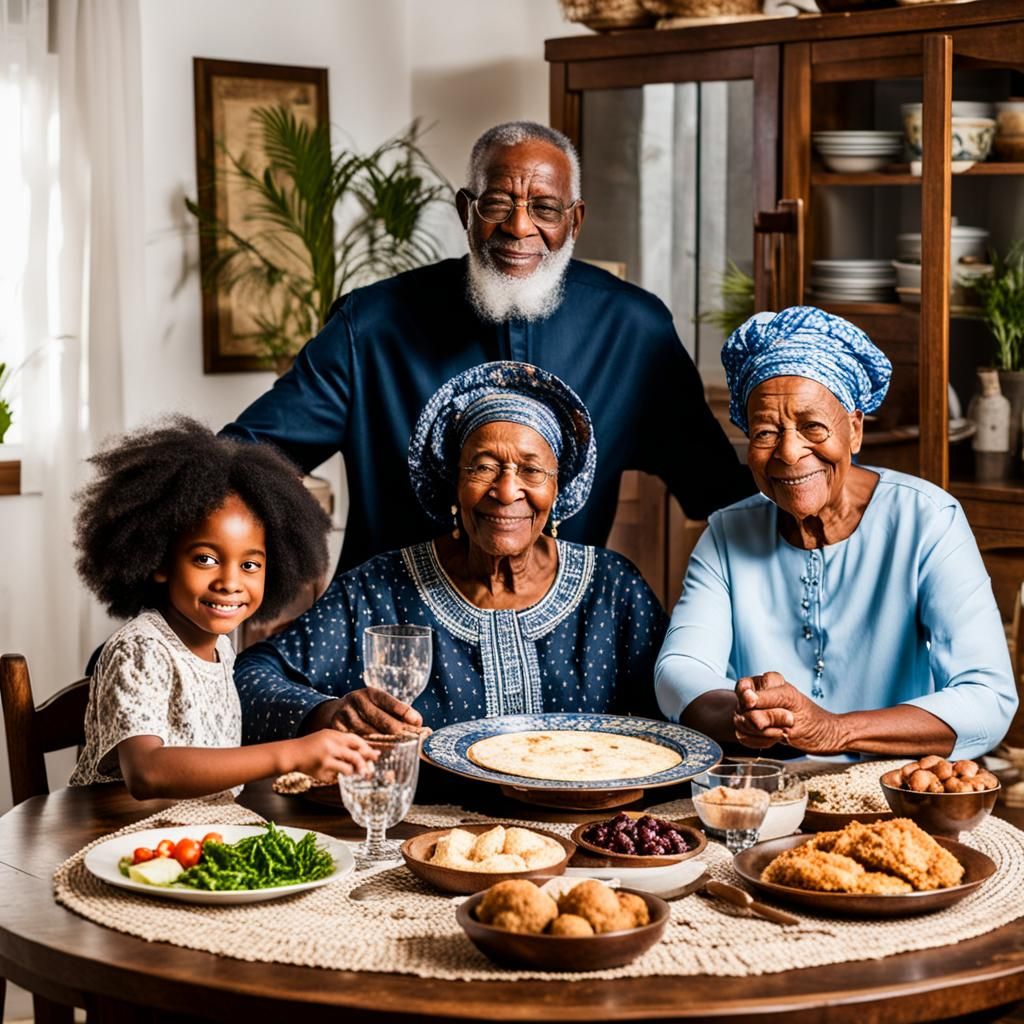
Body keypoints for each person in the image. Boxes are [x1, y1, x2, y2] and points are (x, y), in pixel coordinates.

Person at [221, 120, 752, 576]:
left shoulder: (634, 329)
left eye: (544, 208)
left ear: (575, 220)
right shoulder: (372, 324)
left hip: (563, 645)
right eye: (498, 204)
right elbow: (241, 460)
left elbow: (722, 497)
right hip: (390, 631)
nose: (519, 228)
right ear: (465, 211)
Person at [654, 306, 1017, 761]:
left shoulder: (927, 520)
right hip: (764, 794)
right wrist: (747, 714)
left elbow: (988, 700)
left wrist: (833, 730)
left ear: (855, 430)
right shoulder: (727, 534)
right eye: (765, 431)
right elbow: (679, 671)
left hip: (892, 798)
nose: (789, 452)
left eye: (812, 427)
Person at [235, 362, 668, 740]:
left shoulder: (613, 589)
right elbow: (249, 678)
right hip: (421, 825)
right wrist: (327, 714)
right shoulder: (376, 590)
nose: (506, 491)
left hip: (589, 827)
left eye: (532, 470)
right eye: (483, 467)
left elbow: (677, 703)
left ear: (558, 488)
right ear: (454, 484)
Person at [69, 418, 377, 798]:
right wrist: (292, 753)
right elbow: (147, 772)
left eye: (250, 565)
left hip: (195, 838)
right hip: (116, 842)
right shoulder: (141, 648)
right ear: (160, 560)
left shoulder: (221, 649)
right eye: (205, 559)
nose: (230, 582)